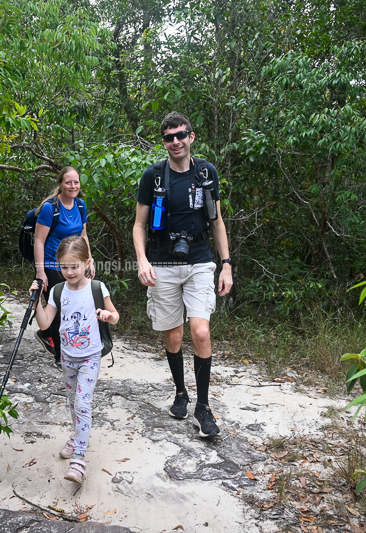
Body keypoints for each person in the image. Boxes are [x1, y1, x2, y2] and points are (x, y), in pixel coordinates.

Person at [132, 111, 233, 438]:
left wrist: (227, 264)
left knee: (200, 332)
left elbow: (216, 222)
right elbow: (138, 225)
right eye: (168, 137)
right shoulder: (153, 176)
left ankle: (203, 406)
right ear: (164, 142)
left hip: (200, 260)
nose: (175, 141)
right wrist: (142, 260)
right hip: (161, 262)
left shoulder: (207, 173)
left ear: (191, 137)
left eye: (180, 135)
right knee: (173, 336)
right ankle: (180, 392)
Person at [29, 236, 119, 483]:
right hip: (67, 357)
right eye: (64, 266)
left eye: (74, 266)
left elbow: (116, 316)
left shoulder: (97, 288)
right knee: (72, 402)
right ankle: (77, 434)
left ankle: (79, 459)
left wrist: (106, 315)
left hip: (90, 355)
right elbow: (46, 323)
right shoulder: (58, 291)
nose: (69, 272)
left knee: (82, 401)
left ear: (86, 263)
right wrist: (37, 301)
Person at [33, 167, 95, 367]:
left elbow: (83, 235)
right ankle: (60, 356)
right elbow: (39, 241)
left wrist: (89, 260)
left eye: (76, 182)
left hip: (75, 265)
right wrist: (41, 272)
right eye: (68, 182)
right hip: (53, 265)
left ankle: (47, 334)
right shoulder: (50, 208)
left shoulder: (80, 206)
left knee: (75, 308)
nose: (73, 186)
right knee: (59, 311)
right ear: (60, 184)